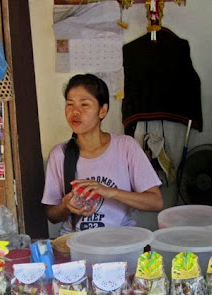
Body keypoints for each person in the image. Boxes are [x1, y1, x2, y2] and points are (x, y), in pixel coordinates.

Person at [42, 74, 163, 234]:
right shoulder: (60, 154)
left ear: (102, 111)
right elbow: (52, 215)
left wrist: (110, 192)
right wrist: (66, 206)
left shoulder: (126, 147)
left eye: (84, 104)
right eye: (70, 104)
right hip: (76, 242)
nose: (75, 112)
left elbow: (156, 202)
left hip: (120, 238)